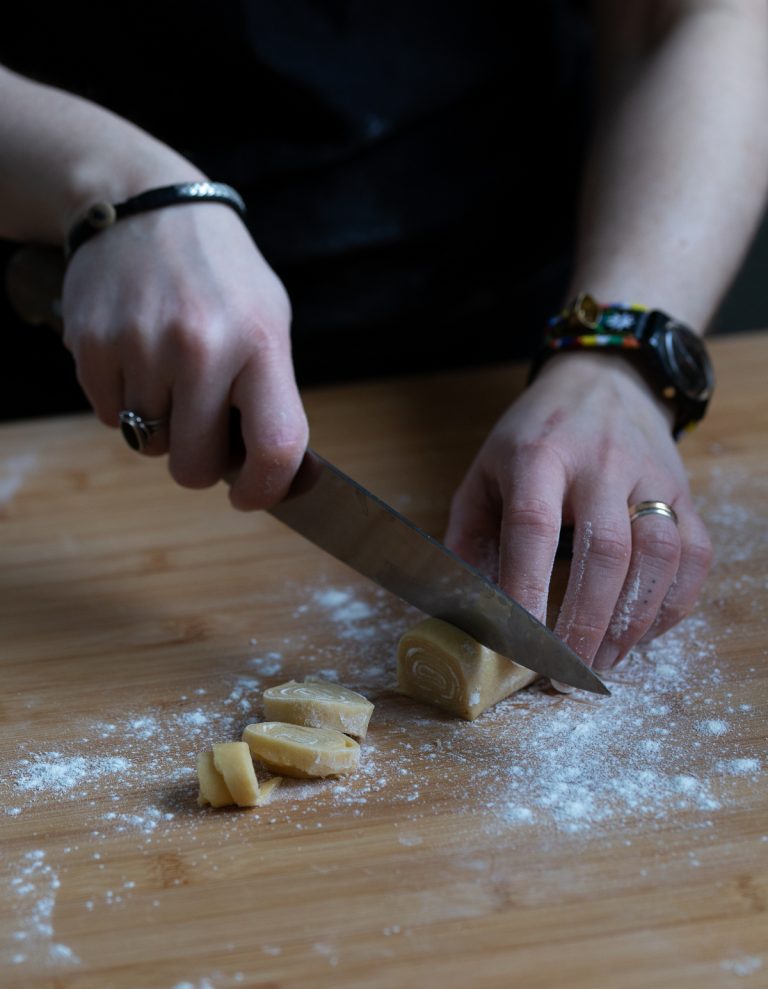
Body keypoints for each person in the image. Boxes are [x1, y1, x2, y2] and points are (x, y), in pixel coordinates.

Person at [0, 1, 766, 680]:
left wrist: (619, 355)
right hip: (71, 354)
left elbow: (698, 15)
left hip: (524, 339)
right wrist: (94, 177)